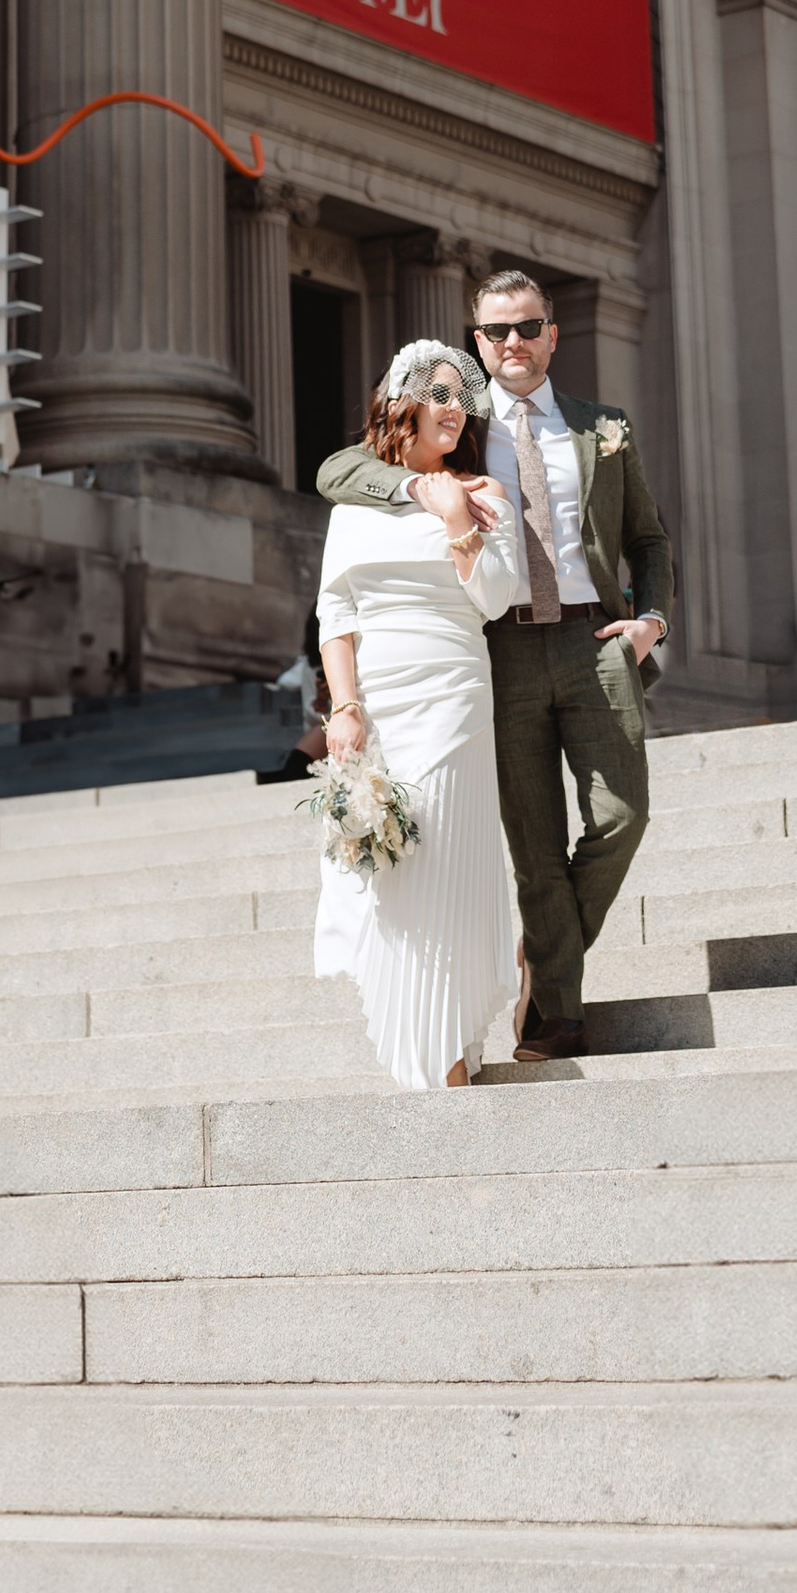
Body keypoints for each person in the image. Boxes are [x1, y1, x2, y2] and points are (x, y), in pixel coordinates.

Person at [318, 263, 672, 1061]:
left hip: (595, 642)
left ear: (553, 333)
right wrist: (427, 498)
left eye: (527, 326)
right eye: (496, 331)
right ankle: (555, 1012)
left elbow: (649, 537)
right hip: (498, 648)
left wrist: (651, 619)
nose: (513, 342)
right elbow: (339, 470)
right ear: (478, 344)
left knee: (622, 816)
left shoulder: (600, 426)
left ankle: (545, 959)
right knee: (534, 841)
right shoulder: (464, 429)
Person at [312, 342, 523, 1091]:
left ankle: (451, 1048)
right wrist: (344, 707)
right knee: (397, 871)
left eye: (461, 393)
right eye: (436, 392)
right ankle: (422, 1049)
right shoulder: (356, 504)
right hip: (383, 699)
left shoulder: (488, 492)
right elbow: (336, 614)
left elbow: (496, 599)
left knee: (447, 862)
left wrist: (460, 517)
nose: (453, 404)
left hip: (455, 690)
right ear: (400, 404)